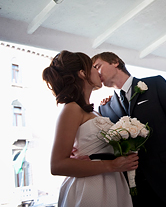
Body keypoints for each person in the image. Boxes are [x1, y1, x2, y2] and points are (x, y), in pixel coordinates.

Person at [92, 52, 166, 207]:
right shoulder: (105, 108)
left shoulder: (155, 85)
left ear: (115, 62)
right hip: (138, 192)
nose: (95, 72)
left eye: (97, 66)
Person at [42, 50, 139, 207]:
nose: (97, 71)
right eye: (93, 67)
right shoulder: (72, 109)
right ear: (82, 73)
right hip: (91, 188)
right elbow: (57, 165)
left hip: (112, 184)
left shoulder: (94, 112)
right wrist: (112, 166)